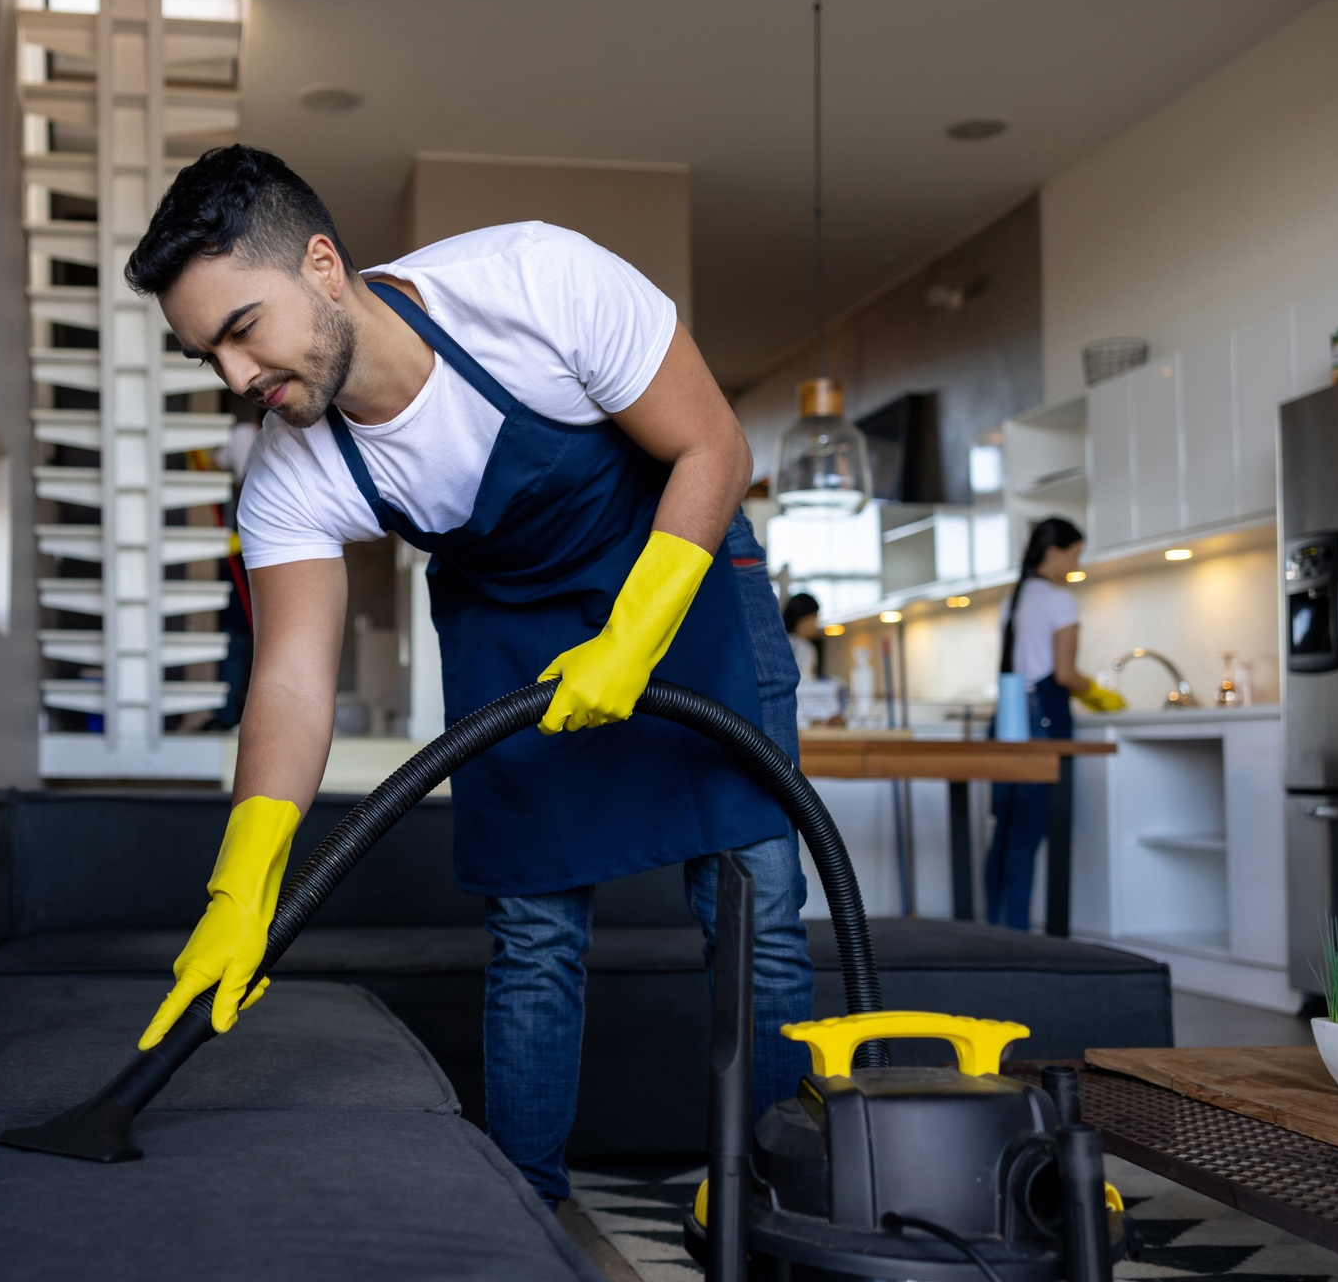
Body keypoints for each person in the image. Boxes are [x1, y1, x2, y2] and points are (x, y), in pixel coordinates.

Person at [122, 145, 811, 1208]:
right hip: (510, 625)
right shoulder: (291, 472)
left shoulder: (537, 283)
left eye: (240, 330)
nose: (234, 379)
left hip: (679, 581)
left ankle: (766, 1190)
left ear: (318, 264)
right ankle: (524, 1208)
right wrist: (242, 876)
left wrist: (633, 636)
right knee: (533, 927)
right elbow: (292, 684)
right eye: (202, 355)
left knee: (753, 905)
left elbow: (712, 447)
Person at [984, 518, 1122, 929]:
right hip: (1041, 718)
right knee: (1028, 832)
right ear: (1055, 551)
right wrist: (1100, 694)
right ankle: (1024, 940)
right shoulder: (1061, 599)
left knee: (1005, 831)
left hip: (1005, 718)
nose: (1075, 564)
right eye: (1075, 553)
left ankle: (994, 932)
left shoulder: (1013, 599)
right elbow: (1064, 674)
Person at [783, 592, 843, 727]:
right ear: (802, 618)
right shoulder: (803, 647)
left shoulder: (780, 642)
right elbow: (805, 684)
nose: (816, 623)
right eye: (814, 617)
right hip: (804, 718)